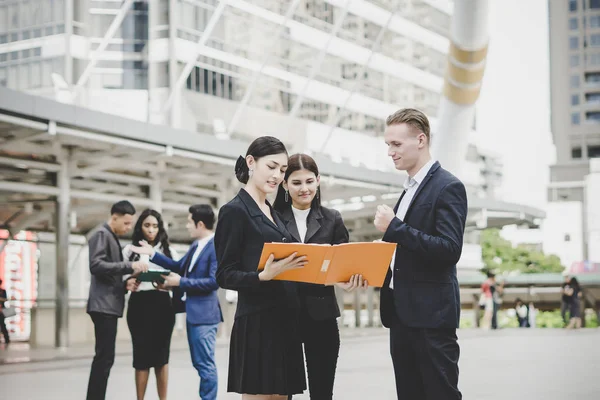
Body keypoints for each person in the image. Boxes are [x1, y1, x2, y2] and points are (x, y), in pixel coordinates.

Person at [374, 108, 467, 400]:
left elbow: (449, 250)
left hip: (431, 319)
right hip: (402, 316)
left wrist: (395, 228)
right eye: (388, 144)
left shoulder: (448, 187)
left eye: (396, 144)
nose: (390, 151)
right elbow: (408, 250)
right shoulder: (409, 189)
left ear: (421, 140)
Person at [214, 136, 308, 400]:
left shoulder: (272, 212)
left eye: (282, 170)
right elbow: (224, 274)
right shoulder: (234, 211)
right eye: (272, 167)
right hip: (258, 322)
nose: (278, 175)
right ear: (251, 162)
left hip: (284, 320)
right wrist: (263, 276)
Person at [273, 153, 367, 400]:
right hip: (282, 315)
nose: (304, 188)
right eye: (296, 183)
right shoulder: (272, 218)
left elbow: (344, 264)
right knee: (283, 392)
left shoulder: (332, 219)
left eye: (309, 181)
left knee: (322, 392)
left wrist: (347, 281)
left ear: (318, 181)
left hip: (321, 315)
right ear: (284, 184)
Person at [132, 204, 223, 400]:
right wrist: (153, 254)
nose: (187, 226)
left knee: (205, 365)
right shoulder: (196, 245)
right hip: (193, 314)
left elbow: (214, 281)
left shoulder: (215, 246)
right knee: (200, 363)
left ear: (200, 224)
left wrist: (180, 282)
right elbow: (178, 266)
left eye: (189, 222)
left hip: (205, 316)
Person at [86, 200, 148, 400]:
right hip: (103, 306)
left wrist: (124, 285)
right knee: (104, 359)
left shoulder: (110, 236)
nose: (128, 227)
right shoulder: (102, 235)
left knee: (105, 358)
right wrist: (129, 266)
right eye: (126, 223)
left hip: (108, 304)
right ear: (114, 217)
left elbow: (107, 275)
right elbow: (96, 266)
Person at [122, 209, 179, 400]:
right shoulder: (129, 251)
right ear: (140, 227)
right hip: (139, 304)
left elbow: (179, 278)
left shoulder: (170, 252)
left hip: (162, 304)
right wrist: (131, 277)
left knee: (162, 357)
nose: (151, 230)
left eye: (155, 226)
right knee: (141, 357)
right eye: (147, 225)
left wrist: (166, 281)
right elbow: (120, 277)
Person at [0, 278, 10, 345]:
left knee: (3, 325)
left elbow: (5, 299)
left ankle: (7, 339)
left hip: (2, 310)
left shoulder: (3, 291)